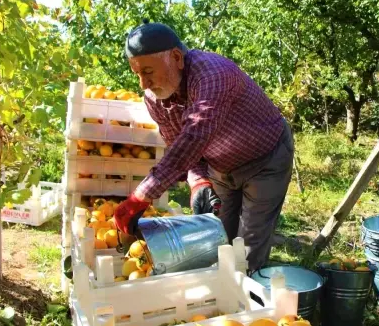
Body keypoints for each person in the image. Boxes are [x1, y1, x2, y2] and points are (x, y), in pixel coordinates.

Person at [114, 21, 294, 271]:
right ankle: (217, 299)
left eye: (148, 72)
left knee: (248, 247)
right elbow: (179, 146)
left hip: (265, 159)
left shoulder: (213, 74)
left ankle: (249, 302)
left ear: (176, 58)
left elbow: (195, 137)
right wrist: (198, 180)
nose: (143, 84)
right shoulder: (154, 99)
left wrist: (141, 196)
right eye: (138, 74)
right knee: (216, 239)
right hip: (220, 168)